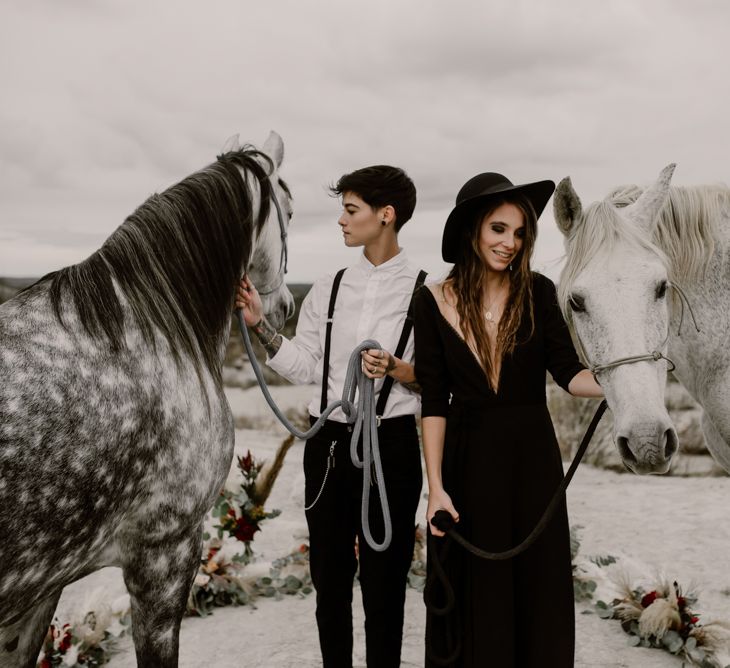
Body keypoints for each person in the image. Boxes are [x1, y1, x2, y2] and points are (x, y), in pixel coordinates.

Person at [235, 165, 425, 668]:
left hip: (393, 447)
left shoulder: (428, 291)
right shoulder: (331, 286)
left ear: (386, 216)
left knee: (386, 585)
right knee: (330, 582)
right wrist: (260, 328)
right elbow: (306, 367)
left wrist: (398, 369)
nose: (341, 220)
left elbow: (439, 382)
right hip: (330, 447)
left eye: (350, 209)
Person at [413, 172, 603, 667]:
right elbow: (433, 399)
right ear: (473, 229)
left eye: (519, 233)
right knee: (474, 585)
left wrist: (620, 383)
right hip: (467, 458)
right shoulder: (432, 300)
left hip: (532, 460)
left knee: (536, 582)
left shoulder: (540, 292)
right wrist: (435, 487)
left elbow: (568, 372)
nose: (510, 243)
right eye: (499, 229)